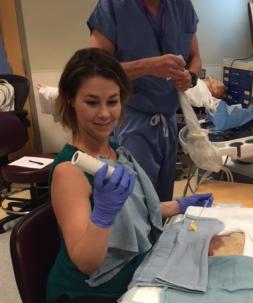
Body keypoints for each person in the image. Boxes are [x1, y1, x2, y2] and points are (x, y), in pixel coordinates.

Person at [46, 48, 213, 303]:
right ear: (70, 99)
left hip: (133, 273)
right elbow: (86, 263)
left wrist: (179, 205)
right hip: (91, 291)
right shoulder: (69, 171)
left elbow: (136, 211)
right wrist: (103, 215)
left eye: (112, 101)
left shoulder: (116, 152)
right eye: (92, 102)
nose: (104, 113)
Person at [87, 0, 201, 201]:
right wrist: (147, 67)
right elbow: (96, 69)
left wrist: (190, 77)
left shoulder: (181, 6)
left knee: (162, 201)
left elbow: (195, 57)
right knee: (137, 202)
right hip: (133, 121)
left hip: (168, 121)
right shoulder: (113, 7)